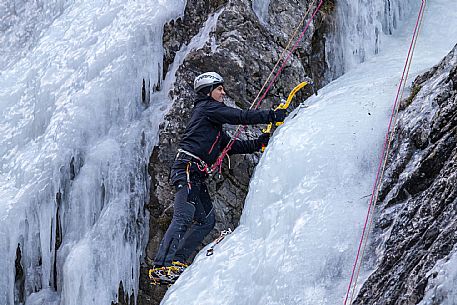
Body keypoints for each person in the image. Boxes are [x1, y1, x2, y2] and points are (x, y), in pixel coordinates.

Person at [149, 72, 286, 284]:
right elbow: (240, 116)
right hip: (187, 168)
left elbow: (231, 146)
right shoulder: (206, 109)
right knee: (184, 215)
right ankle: (161, 266)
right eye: (219, 88)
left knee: (207, 220)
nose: (223, 92)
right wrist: (271, 115)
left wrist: (260, 142)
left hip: (196, 174)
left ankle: (177, 261)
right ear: (207, 91)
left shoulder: (212, 125)